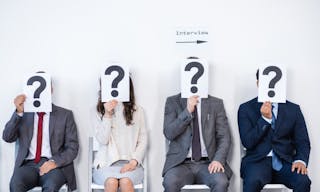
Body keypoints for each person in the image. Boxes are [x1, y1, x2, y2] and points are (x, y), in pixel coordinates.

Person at [2, 74, 79, 192]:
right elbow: (7, 137)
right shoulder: (24, 114)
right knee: (15, 183)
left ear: (51, 90)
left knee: (51, 186)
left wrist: (54, 162)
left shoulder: (65, 115)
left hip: (54, 166)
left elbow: (72, 148)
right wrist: (18, 112)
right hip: (28, 165)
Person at [238, 70, 311, 192]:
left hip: (285, 162)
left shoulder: (293, 109)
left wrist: (300, 160)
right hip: (257, 162)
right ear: (258, 84)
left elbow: (302, 141)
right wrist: (265, 119)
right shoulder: (246, 108)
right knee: (252, 182)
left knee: (303, 181)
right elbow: (247, 142)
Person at [162, 93, 233, 192]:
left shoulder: (216, 103)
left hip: (208, 163)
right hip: (180, 164)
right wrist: (187, 112)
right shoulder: (173, 101)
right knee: (170, 182)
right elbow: (169, 133)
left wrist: (218, 160)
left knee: (221, 182)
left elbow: (224, 137)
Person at [91, 77, 147, 192]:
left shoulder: (137, 110)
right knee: (111, 182)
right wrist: (107, 114)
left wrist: (133, 162)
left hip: (131, 164)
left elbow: (143, 139)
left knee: (125, 182)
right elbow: (103, 140)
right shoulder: (97, 110)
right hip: (105, 165)